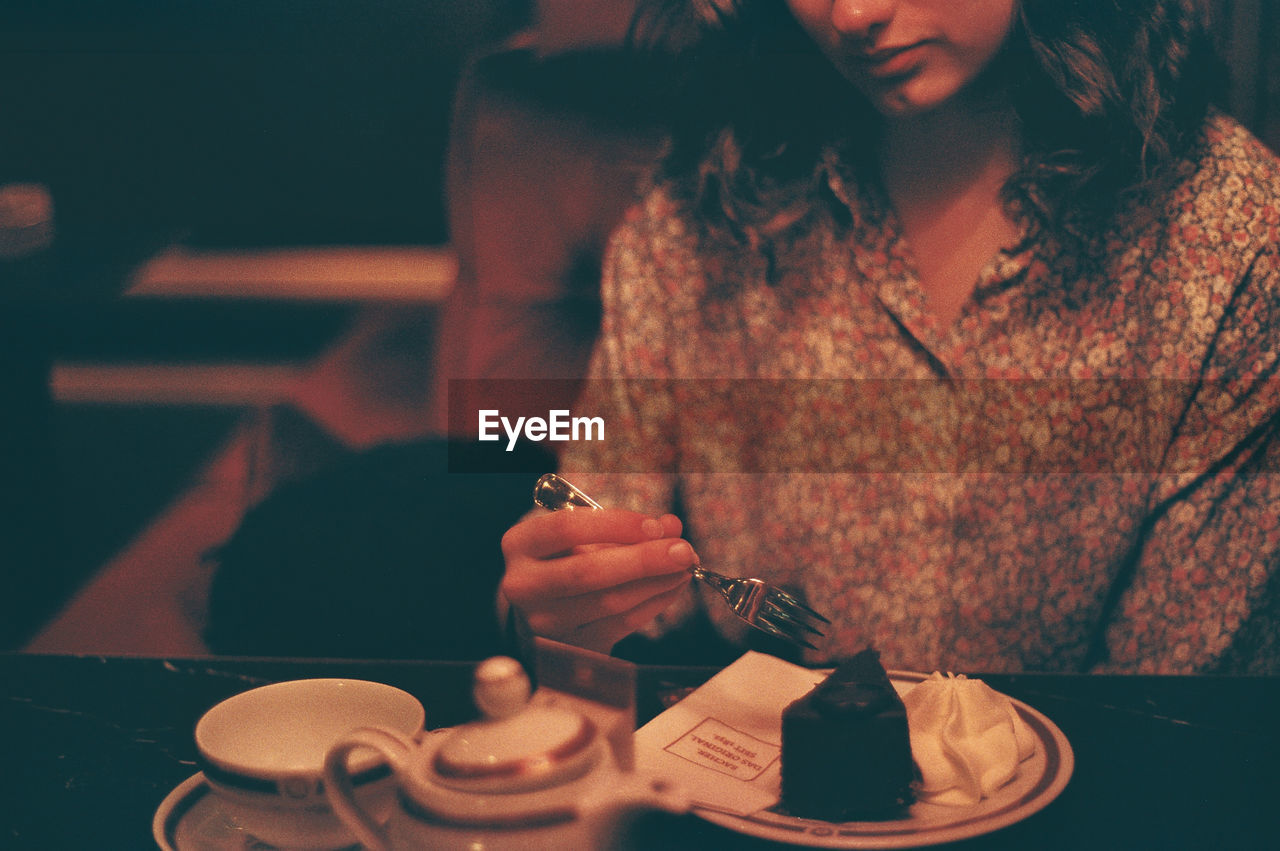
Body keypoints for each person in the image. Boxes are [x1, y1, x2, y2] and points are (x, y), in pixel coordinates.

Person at [498, 0, 1280, 674]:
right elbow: (601, 573)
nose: (854, 15)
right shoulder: (701, 213)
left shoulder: (1222, 232)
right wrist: (557, 616)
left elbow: (1175, 706)